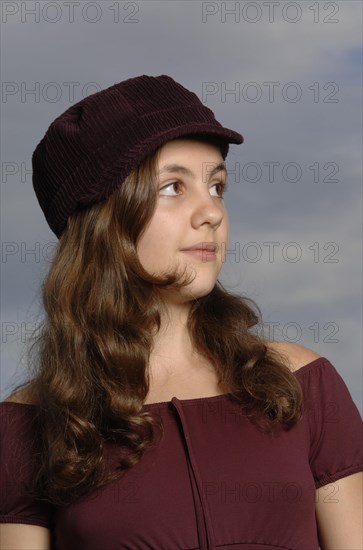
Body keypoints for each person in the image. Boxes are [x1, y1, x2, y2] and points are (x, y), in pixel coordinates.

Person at [0, 75, 361, 550]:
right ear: (103, 221)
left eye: (217, 186)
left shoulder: (302, 383)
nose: (210, 212)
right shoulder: (26, 425)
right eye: (173, 187)